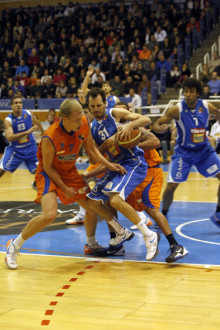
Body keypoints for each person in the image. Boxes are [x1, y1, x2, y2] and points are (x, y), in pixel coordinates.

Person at [5, 98, 128, 270]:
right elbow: (48, 167)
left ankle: (97, 241)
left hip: (69, 171)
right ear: (64, 118)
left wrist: (109, 165)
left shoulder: (84, 123)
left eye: (81, 117)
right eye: (77, 119)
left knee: (91, 203)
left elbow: (91, 150)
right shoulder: (50, 136)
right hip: (48, 174)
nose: (81, 121)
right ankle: (13, 246)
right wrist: (64, 188)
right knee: (50, 214)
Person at [86, 88, 160, 261]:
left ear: (105, 103)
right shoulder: (92, 128)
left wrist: (130, 124)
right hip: (116, 166)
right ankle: (120, 232)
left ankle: (149, 235)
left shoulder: (115, 113)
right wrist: (105, 145)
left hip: (134, 162)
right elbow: (94, 155)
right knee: (92, 201)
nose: (96, 109)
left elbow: (146, 119)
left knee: (115, 200)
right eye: (92, 106)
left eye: (99, 105)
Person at [152, 78, 220, 228]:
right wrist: (158, 127)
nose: (188, 94)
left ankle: (218, 214)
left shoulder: (206, 106)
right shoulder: (177, 109)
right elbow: (157, 122)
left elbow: (217, 114)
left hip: (204, 151)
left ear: (198, 94)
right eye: (186, 91)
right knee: (171, 187)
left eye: (191, 91)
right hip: (184, 153)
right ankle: (163, 214)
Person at [0, 95, 43, 179]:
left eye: (20, 102)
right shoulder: (8, 120)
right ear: (12, 106)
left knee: (43, 170)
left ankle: (35, 184)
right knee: (1, 171)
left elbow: (37, 122)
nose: (18, 105)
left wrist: (44, 133)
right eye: (16, 103)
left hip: (31, 149)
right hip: (15, 150)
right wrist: (27, 132)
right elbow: (10, 137)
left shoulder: (28, 113)